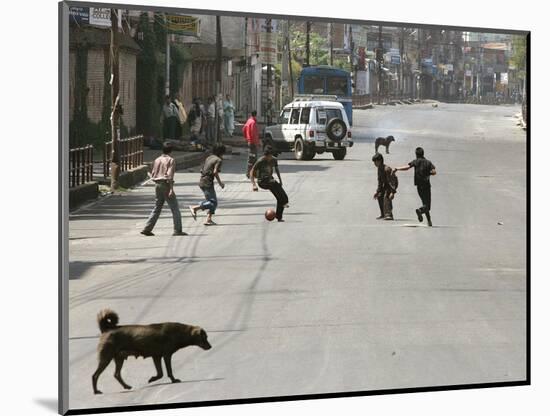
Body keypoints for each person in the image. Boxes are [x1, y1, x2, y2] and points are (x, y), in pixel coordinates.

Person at [141, 143, 187, 236]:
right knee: (175, 208)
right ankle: (177, 230)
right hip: (165, 184)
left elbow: (153, 173)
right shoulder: (171, 160)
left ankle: (147, 228)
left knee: (157, 207)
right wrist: (171, 189)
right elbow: (169, 176)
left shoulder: (157, 160)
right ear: (171, 151)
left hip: (157, 184)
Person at [393, 147, 436, 226]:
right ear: (423, 153)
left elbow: (407, 167)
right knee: (427, 206)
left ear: (416, 154)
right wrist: (428, 173)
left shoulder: (415, 161)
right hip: (426, 185)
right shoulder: (428, 162)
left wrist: (397, 168)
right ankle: (420, 211)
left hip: (419, 186)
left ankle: (429, 221)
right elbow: (434, 172)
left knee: (424, 203)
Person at [189, 144, 226, 226]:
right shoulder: (218, 160)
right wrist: (220, 183)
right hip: (207, 182)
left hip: (203, 181)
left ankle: (209, 219)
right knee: (213, 203)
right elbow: (215, 172)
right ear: (222, 152)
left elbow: (201, 169)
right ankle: (195, 208)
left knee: (212, 201)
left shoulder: (209, 157)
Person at [250, 146, 289, 222]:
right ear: (265, 155)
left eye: (270, 156)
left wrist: (280, 180)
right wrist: (254, 185)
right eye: (268, 156)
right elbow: (251, 172)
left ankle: (279, 216)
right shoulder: (260, 161)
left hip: (270, 181)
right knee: (271, 181)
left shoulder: (274, 160)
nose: (269, 158)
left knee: (281, 197)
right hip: (262, 182)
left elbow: (277, 170)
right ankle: (284, 203)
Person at [372, 153, 397, 220]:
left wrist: (392, 192)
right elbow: (380, 181)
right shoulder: (379, 169)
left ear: (380, 161)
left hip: (392, 184)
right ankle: (383, 214)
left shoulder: (387, 169)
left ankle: (389, 215)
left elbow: (392, 182)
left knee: (386, 197)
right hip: (386, 184)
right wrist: (377, 191)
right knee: (380, 196)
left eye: (375, 162)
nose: (374, 163)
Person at [243, 110, 260, 178]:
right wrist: (257, 142)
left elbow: (243, 129)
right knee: (252, 158)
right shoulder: (253, 122)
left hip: (250, 142)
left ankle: (253, 173)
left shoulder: (248, 121)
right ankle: (249, 173)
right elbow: (254, 134)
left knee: (253, 158)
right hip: (253, 143)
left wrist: (246, 138)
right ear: (255, 115)